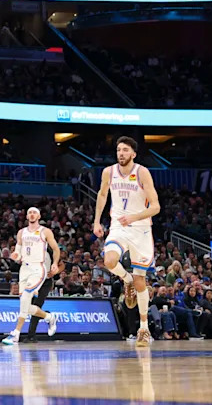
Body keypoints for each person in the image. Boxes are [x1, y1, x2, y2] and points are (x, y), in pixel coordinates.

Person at [92, 136, 161, 348]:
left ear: (133, 154)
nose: (121, 153)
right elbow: (102, 195)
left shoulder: (142, 172)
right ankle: (126, 278)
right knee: (109, 260)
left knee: (142, 282)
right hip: (119, 226)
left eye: (125, 150)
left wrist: (134, 217)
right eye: (118, 150)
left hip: (140, 229)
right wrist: (96, 221)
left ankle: (143, 328)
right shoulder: (108, 172)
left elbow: (156, 207)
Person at [2, 208, 61, 346]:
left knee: (27, 295)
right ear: (27, 216)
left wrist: (55, 263)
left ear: (39, 216)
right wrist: (15, 256)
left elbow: (57, 249)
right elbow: (18, 252)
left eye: (35, 212)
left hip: (38, 268)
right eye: (30, 212)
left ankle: (15, 333)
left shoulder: (45, 231)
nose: (32, 214)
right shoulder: (21, 232)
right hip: (24, 269)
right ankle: (50, 317)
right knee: (25, 305)